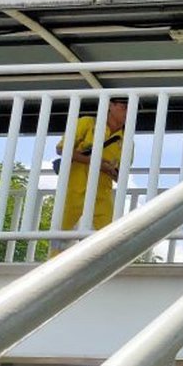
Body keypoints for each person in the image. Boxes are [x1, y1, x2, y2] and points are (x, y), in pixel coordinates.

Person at [52, 96, 129, 253]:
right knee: (61, 234)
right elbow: (62, 149)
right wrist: (96, 162)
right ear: (110, 106)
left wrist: (111, 170)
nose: (127, 112)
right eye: (124, 107)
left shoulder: (126, 141)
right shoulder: (88, 123)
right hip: (74, 188)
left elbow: (120, 176)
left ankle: (104, 269)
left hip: (101, 193)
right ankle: (52, 265)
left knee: (110, 236)